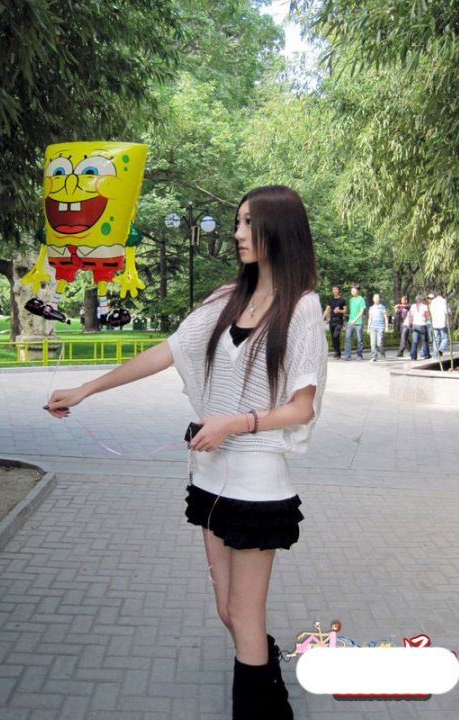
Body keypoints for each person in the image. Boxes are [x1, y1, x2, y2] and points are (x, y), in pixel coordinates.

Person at [45, 185, 328, 720]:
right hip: (209, 478)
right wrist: (86, 389)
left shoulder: (303, 308)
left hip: (257, 485)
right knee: (228, 611)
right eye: (237, 221)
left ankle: (262, 709)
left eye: (249, 223)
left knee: (245, 614)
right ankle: (268, 676)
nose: (238, 233)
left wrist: (235, 423)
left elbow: (301, 407)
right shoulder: (227, 298)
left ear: (281, 230)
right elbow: (168, 350)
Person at [322, 284, 347, 357]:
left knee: (336, 336)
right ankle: (337, 352)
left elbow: (345, 311)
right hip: (332, 321)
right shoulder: (330, 300)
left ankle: (336, 351)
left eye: (336, 289)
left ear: (339, 290)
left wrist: (339, 311)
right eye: (333, 289)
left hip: (339, 321)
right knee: (333, 337)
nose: (334, 291)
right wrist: (322, 319)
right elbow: (327, 310)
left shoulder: (342, 300)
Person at [344, 283, 366, 360]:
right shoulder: (351, 300)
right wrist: (349, 321)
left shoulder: (361, 299)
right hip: (350, 322)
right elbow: (352, 312)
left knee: (359, 340)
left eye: (354, 290)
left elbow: (362, 311)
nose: (352, 291)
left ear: (357, 291)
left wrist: (355, 320)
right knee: (347, 338)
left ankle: (359, 355)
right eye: (351, 290)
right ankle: (347, 355)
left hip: (358, 323)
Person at [408, 294, 431, 360]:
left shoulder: (413, 306)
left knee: (414, 341)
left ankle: (413, 356)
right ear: (421, 300)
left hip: (414, 325)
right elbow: (427, 317)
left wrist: (410, 324)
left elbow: (410, 316)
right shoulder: (425, 306)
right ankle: (426, 355)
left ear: (416, 300)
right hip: (422, 325)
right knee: (424, 341)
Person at [367, 293, 389, 361]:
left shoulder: (382, 307)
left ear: (379, 299)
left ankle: (382, 352)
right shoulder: (371, 308)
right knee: (373, 344)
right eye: (375, 298)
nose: (376, 299)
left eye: (377, 297)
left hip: (380, 327)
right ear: (373, 299)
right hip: (372, 327)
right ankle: (374, 356)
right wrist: (368, 328)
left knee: (379, 344)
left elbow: (386, 318)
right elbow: (370, 318)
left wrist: (386, 327)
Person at [430, 291, 449, 356]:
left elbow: (431, 311)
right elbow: (447, 311)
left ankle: (436, 354)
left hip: (435, 322)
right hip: (442, 322)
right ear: (442, 294)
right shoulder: (444, 301)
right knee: (445, 338)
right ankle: (441, 349)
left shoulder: (433, 301)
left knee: (436, 339)